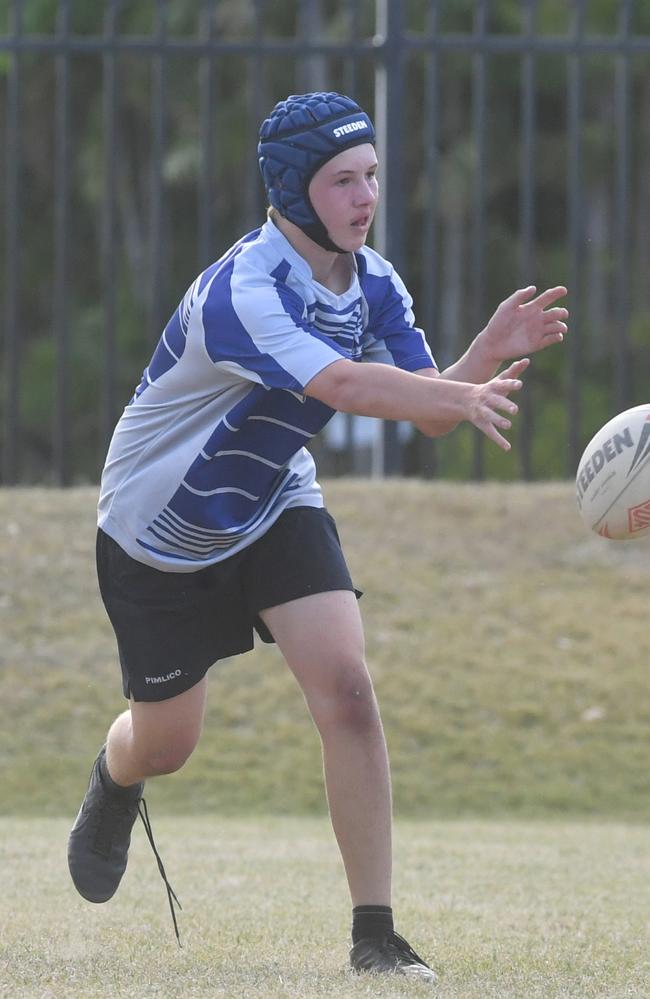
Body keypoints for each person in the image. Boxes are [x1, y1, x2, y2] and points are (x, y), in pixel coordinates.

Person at [68, 91, 567, 981]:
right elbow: (341, 385)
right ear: (295, 191)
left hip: (272, 499)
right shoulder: (243, 290)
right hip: (160, 530)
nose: (365, 195)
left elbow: (429, 414)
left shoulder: (374, 281)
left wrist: (480, 358)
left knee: (347, 689)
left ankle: (375, 934)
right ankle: (116, 775)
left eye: (371, 174)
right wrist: (460, 392)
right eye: (343, 180)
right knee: (166, 743)